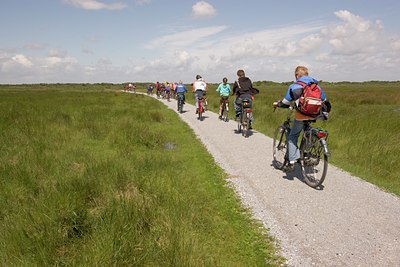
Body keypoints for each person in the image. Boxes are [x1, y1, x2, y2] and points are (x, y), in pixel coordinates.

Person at [273, 66, 330, 172]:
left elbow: (285, 102)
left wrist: (278, 104)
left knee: (293, 136)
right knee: (307, 130)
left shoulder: (295, 86)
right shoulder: (317, 86)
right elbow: (325, 101)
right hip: (315, 115)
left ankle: (292, 162)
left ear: (296, 75)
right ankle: (306, 150)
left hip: (302, 115)